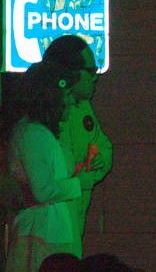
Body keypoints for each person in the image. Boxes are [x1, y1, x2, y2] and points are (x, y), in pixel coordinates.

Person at [4, 61, 97, 271]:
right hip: (43, 235)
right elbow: (43, 191)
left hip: (49, 232)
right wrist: (79, 183)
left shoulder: (41, 133)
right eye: (67, 94)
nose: (71, 101)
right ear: (52, 97)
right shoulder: (33, 134)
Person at [42, 36, 113, 237]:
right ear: (68, 73)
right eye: (90, 71)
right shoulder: (36, 114)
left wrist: (98, 161)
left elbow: (101, 145)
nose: (95, 77)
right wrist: (79, 182)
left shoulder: (82, 107)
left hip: (74, 220)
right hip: (43, 226)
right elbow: (40, 185)